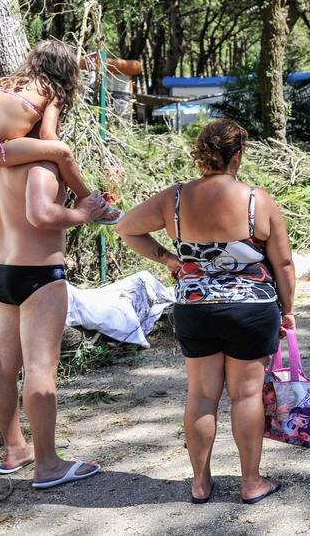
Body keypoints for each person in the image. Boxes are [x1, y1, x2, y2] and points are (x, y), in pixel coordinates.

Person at [117, 119, 295, 505]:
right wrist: (289, 310)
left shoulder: (175, 199)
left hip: (194, 308)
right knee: (246, 396)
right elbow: (282, 264)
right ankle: (251, 483)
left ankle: (200, 483)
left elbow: (126, 227)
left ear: (203, 154)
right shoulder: (256, 200)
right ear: (238, 154)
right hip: (250, 309)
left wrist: (168, 259)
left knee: (200, 395)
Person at [0, 150, 108, 489]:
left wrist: (10, 227)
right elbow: (41, 214)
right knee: (40, 368)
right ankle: (48, 464)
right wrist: (82, 213)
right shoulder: (41, 163)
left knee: (3, 365)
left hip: (1, 271)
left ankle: (15, 450)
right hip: (39, 274)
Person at [0, 39, 121, 224]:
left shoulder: (16, 82)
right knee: (62, 152)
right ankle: (91, 201)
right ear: (66, 70)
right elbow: (47, 135)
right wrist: (63, 166)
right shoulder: (54, 91)